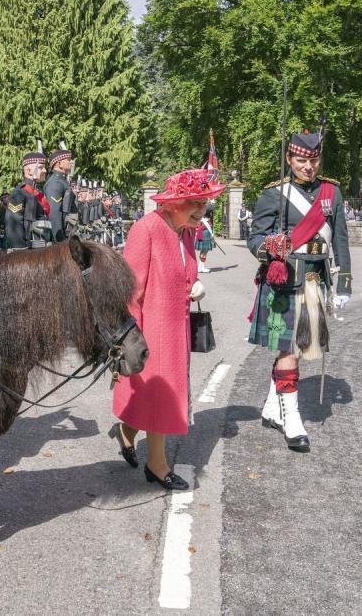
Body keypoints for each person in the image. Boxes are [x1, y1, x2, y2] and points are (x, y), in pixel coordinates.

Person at [111, 168, 224, 490]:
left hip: (176, 326)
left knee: (155, 394)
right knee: (162, 396)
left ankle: (127, 431)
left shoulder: (185, 231)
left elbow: (187, 270)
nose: (201, 211)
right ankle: (157, 465)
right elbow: (131, 291)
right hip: (151, 329)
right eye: (195, 203)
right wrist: (131, 340)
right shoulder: (146, 229)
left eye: (204, 204)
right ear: (174, 203)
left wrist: (196, 282)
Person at [247, 130, 352, 452]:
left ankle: (271, 406)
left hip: (315, 281)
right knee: (289, 350)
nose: (309, 166)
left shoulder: (331, 192)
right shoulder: (273, 195)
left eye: (314, 160)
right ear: (290, 159)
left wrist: (344, 282)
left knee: (297, 348)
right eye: (302, 160)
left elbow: (340, 240)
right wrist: (272, 247)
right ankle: (291, 417)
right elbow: (254, 239)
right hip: (283, 282)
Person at [5, 141, 51, 249]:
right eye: (40, 167)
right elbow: (14, 228)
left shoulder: (38, 192)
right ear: (30, 170)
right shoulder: (19, 194)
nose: (45, 170)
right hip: (28, 253)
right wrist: (20, 254)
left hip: (42, 247)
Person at [45, 140, 76, 242]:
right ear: (60, 164)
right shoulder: (55, 183)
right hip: (60, 236)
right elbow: (55, 215)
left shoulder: (62, 181)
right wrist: (59, 241)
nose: (71, 162)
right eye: (68, 159)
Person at [195, 205, 214, 273]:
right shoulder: (205, 220)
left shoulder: (203, 218)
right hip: (205, 236)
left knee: (203, 252)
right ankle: (201, 267)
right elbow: (202, 227)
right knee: (204, 252)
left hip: (204, 236)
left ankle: (200, 267)